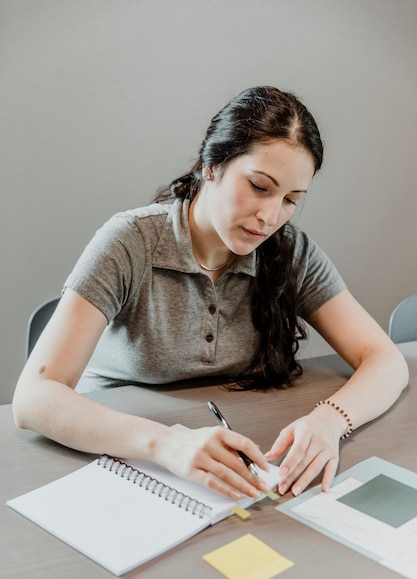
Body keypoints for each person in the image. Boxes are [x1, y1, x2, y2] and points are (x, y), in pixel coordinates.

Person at [13, 86, 408, 500]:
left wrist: (330, 420)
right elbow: (34, 399)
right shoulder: (130, 242)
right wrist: (167, 444)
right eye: (259, 186)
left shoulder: (291, 251)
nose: (271, 217)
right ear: (211, 166)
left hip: (231, 454)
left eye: (291, 199)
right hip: (119, 452)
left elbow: (386, 360)